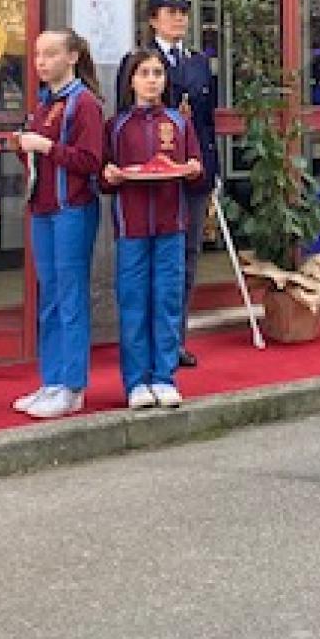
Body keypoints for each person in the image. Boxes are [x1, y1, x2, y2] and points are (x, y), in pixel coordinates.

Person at [12, 28, 106, 419]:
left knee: (70, 297)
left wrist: (45, 146)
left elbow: (90, 160)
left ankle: (72, 385)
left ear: (72, 57)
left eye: (51, 54)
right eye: (37, 55)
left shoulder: (83, 103)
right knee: (49, 298)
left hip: (72, 209)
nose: (42, 62)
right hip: (43, 208)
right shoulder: (43, 103)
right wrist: (24, 147)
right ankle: (52, 380)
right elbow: (41, 160)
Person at [104, 47, 204, 411]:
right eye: (144, 73)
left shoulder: (179, 123)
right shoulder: (116, 126)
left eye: (157, 73)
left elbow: (195, 172)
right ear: (130, 80)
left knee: (167, 300)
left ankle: (165, 377)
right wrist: (111, 176)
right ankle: (136, 382)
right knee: (133, 303)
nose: (151, 80)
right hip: (131, 227)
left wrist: (193, 169)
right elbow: (106, 177)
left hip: (171, 224)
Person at [145, 0, 218, 369]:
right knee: (158, 258)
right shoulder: (142, 61)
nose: (178, 19)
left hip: (193, 174)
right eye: (170, 11)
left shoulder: (198, 62)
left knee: (187, 260)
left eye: (182, 12)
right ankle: (153, 342)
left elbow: (207, 123)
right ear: (153, 18)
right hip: (156, 177)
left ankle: (177, 340)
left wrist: (212, 173)